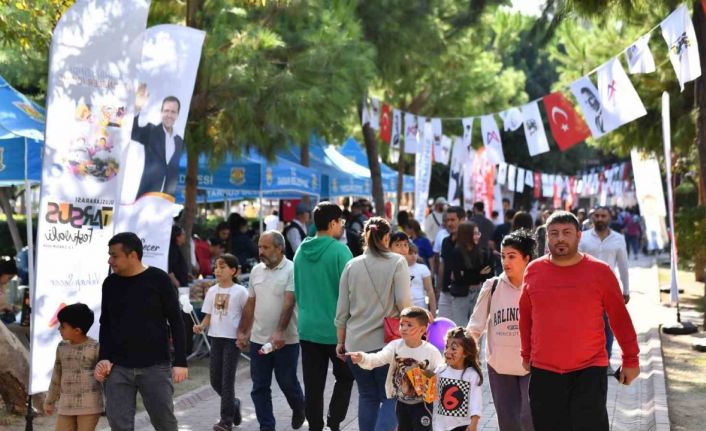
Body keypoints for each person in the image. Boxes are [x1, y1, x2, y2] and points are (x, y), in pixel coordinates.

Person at [519, 211, 640, 431]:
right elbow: (526, 316)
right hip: (545, 369)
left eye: (567, 233)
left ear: (579, 236)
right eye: (554, 233)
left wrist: (631, 359)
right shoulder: (534, 271)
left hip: (589, 369)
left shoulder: (600, 272)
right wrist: (526, 354)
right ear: (546, 237)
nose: (560, 239)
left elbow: (619, 317)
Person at [94, 232, 188, 431]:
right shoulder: (110, 284)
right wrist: (104, 357)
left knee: (165, 423)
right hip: (118, 368)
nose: (109, 260)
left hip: (155, 367)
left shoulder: (159, 279)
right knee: (119, 424)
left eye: (114, 255)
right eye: (109, 255)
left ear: (133, 256)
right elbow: (106, 324)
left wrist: (181, 362)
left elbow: (177, 322)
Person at [335, 217, 412, 431]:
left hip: (355, 343)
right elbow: (404, 303)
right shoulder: (397, 262)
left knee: (367, 396)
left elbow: (342, 310)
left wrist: (340, 342)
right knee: (390, 396)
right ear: (387, 237)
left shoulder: (351, 265)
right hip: (387, 342)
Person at [294, 202, 355, 431]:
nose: (342, 226)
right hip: (335, 329)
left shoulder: (301, 250)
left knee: (313, 384)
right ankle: (334, 420)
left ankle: (315, 427)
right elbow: (350, 292)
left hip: (307, 327)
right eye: (341, 222)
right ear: (332, 223)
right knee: (347, 377)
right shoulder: (341, 250)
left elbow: (297, 288)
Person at [236, 231, 306, 431]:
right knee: (259, 387)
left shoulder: (293, 269)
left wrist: (280, 331)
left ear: (279, 248)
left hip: (286, 339)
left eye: (265, 247)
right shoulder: (256, 271)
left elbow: (289, 301)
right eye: (259, 247)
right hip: (259, 339)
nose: (261, 251)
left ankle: (299, 407)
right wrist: (243, 331)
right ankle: (267, 427)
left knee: (286, 381)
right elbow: (250, 302)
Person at [468, 230, 536, 431]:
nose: (506, 261)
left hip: (531, 366)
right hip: (500, 367)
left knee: (529, 416)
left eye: (512, 256)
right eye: (503, 256)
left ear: (527, 258)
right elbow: (475, 326)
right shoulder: (492, 285)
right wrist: (467, 356)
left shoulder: (537, 286)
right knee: (508, 422)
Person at [346, 307, 442, 431]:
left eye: (409, 325)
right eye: (401, 324)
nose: (404, 328)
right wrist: (362, 358)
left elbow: (441, 374)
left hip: (422, 405)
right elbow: (378, 358)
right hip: (400, 403)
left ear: (422, 330)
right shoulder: (395, 346)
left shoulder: (431, 352)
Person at [193, 254, 248, 431]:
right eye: (216, 266)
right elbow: (208, 316)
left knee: (227, 381)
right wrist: (201, 326)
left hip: (232, 340)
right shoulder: (211, 290)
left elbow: (248, 316)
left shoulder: (240, 291)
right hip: (215, 338)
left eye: (222, 267)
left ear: (233, 271)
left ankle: (226, 420)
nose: (217, 270)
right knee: (215, 379)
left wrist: (244, 335)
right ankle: (234, 404)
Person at [578, 206, 630, 368]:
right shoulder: (582, 237)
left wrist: (626, 290)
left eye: (603, 216)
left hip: (609, 290)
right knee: (586, 325)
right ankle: (585, 360)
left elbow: (623, 265)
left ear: (610, 218)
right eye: (597, 215)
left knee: (608, 326)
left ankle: (605, 362)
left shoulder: (618, 239)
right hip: (585, 290)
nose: (600, 218)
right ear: (592, 217)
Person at [44, 303, 103, 431]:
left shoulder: (96, 347)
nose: (59, 329)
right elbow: (56, 375)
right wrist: (50, 401)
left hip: (89, 406)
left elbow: (105, 376)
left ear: (77, 330)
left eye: (63, 326)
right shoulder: (62, 347)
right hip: (66, 405)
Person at [131, 85, 183, 199]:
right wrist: (137, 108)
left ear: (178, 115)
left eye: (173, 112)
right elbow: (132, 132)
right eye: (166, 111)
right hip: (146, 197)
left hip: (167, 200)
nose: (169, 115)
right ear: (161, 112)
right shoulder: (151, 131)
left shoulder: (180, 142)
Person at [433, 327, 483, 431]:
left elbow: (476, 401)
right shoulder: (440, 370)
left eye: (453, 348)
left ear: (465, 353)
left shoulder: (472, 375)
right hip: (440, 426)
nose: (447, 351)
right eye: (447, 347)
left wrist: (474, 423)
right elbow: (432, 395)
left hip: (462, 426)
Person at [445, 222, 493, 325]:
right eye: (474, 234)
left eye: (478, 233)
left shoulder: (482, 252)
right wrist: (479, 274)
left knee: (476, 326)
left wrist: (469, 274)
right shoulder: (457, 253)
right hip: (461, 294)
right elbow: (459, 278)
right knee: (461, 326)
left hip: (478, 292)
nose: (477, 236)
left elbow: (488, 273)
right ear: (466, 235)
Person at [437, 206, 465, 322]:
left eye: (453, 220)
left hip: (463, 293)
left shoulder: (469, 242)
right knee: (442, 325)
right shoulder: (445, 241)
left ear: (462, 220)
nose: (449, 223)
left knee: (461, 329)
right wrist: (438, 287)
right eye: (447, 220)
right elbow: (443, 265)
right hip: (445, 291)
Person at [407, 242, 437, 318]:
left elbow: (430, 291)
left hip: (420, 305)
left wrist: (433, 312)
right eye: (410, 253)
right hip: (405, 306)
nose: (414, 256)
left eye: (415, 253)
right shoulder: (398, 269)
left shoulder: (422, 268)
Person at [0, 257, 18, 324]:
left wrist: (9, 306)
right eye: (9, 278)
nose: (9, 281)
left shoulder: (2, 285)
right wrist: (4, 307)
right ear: (3, 273)